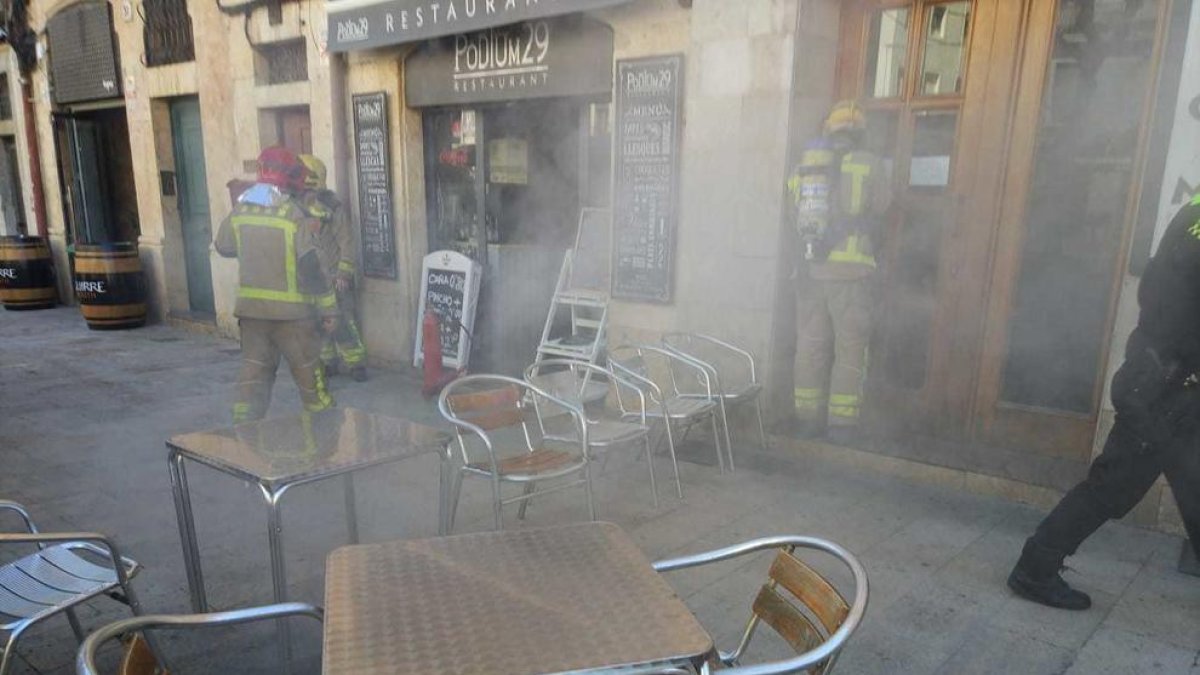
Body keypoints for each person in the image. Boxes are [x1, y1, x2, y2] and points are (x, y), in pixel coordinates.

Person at [1008, 194, 1200, 610]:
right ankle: (1034, 568)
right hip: (1166, 388)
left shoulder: (1192, 213)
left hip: (1163, 379)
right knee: (1111, 488)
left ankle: (1036, 566)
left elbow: (1156, 290)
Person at [787, 100, 891, 443]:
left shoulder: (807, 167)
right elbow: (882, 207)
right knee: (850, 351)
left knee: (810, 348)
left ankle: (805, 420)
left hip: (812, 273)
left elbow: (793, 213)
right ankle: (842, 426)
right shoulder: (871, 165)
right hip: (854, 276)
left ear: (827, 130)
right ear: (860, 133)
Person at [215, 146, 337, 423]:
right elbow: (312, 268)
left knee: (253, 378)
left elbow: (223, 245)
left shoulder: (241, 208)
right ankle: (326, 440)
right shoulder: (293, 214)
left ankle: (245, 439)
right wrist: (329, 310)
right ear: (291, 177)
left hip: (252, 315)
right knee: (310, 380)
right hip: (293, 317)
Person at [298, 154, 368, 382]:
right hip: (312, 279)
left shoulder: (332, 206)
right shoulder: (295, 208)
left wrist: (343, 273)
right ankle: (328, 363)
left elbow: (346, 241)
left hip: (333, 277)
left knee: (343, 323)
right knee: (319, 323)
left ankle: (356, 364)